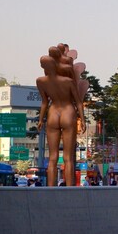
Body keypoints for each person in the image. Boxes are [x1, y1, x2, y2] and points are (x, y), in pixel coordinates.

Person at [37, 46, 86, 186]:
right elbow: (78, 102)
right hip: (68, 112)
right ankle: (69, 189)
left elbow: (45, 102)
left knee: (52, 158)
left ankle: (50, 189)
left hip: (53, 113)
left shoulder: (41, 81)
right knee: (68, 158)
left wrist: (41, 119)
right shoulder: (68, 81)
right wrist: (81, 119)